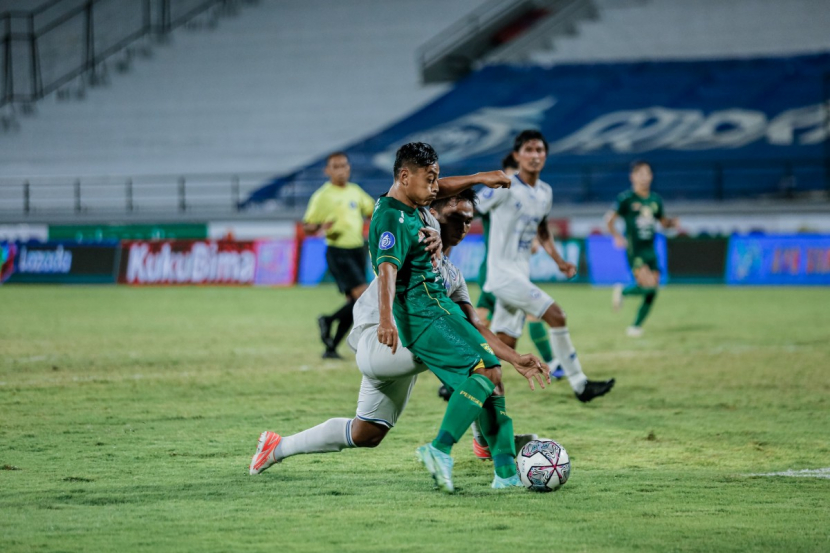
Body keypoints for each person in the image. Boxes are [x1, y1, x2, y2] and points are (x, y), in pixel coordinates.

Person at [250, 186, 547, 491]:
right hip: (379, 341)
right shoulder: (407, 237)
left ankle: (277, 447)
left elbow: (476, 328)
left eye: (469, 220)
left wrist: (516, 358)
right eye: (456, 217)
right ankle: (481, 449)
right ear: (431, 213)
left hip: (402, 351)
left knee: (367, 432)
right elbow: (398, 206)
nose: (464, 226)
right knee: (481, 366)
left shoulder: (453, 276)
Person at [477, 130, 615, 403]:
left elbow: (541, 228)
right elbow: (470, 206)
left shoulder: (544, 193)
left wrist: (559, 260)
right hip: (503, 276)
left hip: (520, 274)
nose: (535, 155)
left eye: (540, 150)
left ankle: (460, 380)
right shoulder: (503, 187)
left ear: (545, 156)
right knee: (557, 315)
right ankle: (580, 383)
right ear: (517, 156)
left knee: (505, 342)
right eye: (529, 150)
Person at [473, 152, 564, 385]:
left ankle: (553, 362)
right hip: (497, 271)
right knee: (482, 322)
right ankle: (555, 363)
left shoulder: (517, 198)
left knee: (497, 322)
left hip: (510, 271)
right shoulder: (498, 196)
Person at [303, 152, 375, 359]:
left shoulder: (355, 191)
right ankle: (327, 320)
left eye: (344, 165)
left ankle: (331, 347)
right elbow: (307, 226)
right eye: (336, 166)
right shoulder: (322, 196)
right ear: (327, 170)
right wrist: (319, 226)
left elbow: (372, 211)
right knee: (363, 299)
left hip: (358, 249)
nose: (341, 170)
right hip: (338, 251)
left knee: (354, 304)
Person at [605, 160, 678, 337]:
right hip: (635, 251)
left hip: (650, 250)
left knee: (653, 290)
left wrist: (671, 223)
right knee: (648, 286)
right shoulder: (626, 199)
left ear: (652, 177)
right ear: (633, 177)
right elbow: (609, 219)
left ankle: (635, 326)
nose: (645, 178)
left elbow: (662, 222)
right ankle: (622, 291)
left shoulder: (655, 200)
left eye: (648, 174)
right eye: (641, 174)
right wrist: (617, 236)